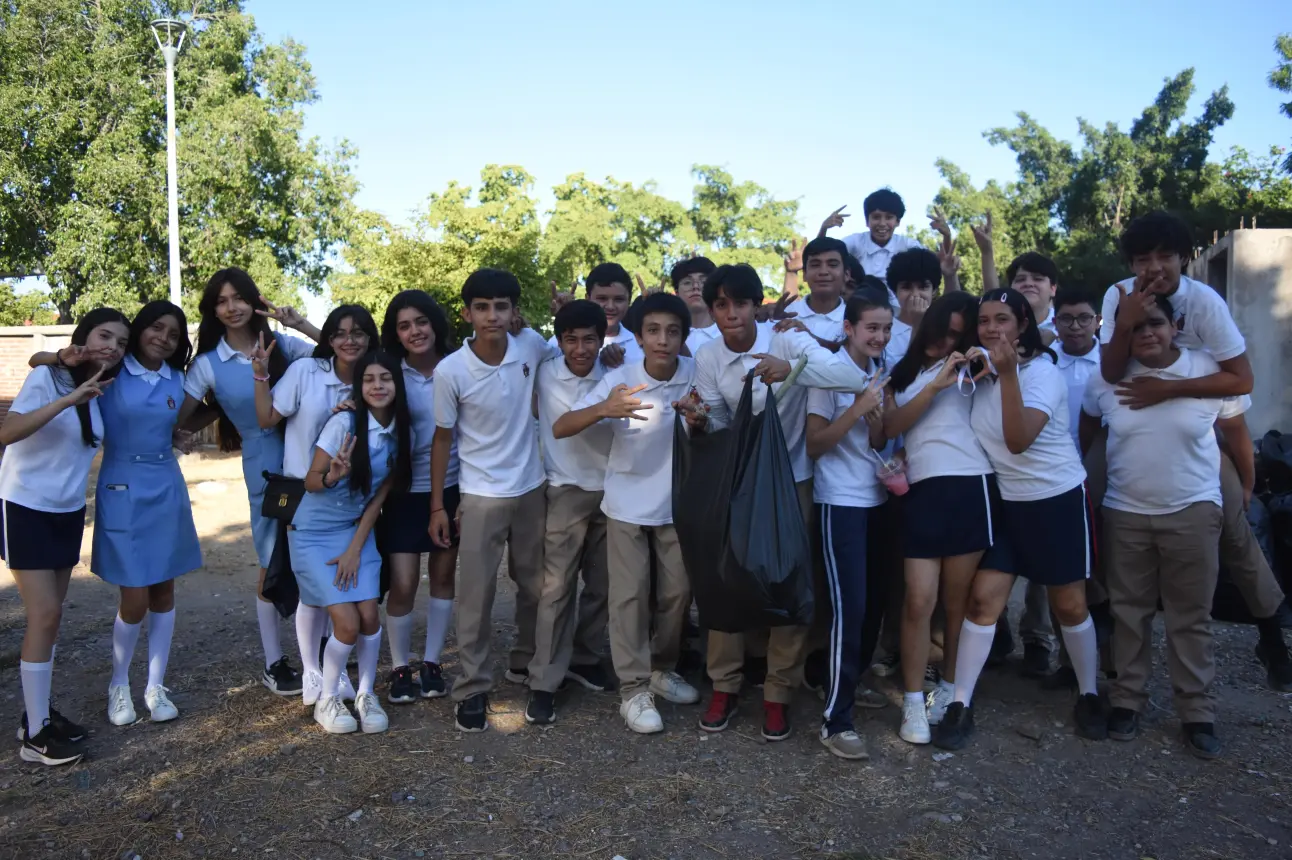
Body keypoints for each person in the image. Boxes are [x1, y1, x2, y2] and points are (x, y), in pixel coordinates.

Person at [1097, 210, 1291, 691]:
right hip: (1130, 418)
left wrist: (1169, 390)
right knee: (1095, 510)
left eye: (1166, 255)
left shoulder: (1204, 303)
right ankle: (1103, 640)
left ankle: (1272, 635)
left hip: (1195, 419)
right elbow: (1109, 370)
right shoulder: (1118, 294)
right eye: (1143, 258)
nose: (1155, 266)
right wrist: (1124, 324)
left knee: (1235, 529)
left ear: (1184, 257)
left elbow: (1240, 381)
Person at [690, 263, 875, 741]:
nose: (732, 314)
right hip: (741, 479)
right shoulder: (709, 355)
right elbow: (717, 419)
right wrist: (697, 419)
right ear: (712, 311)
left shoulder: (787, 336)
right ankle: (725, 685)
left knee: (791, 584)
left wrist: (792, 368)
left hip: (794, 479)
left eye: (742, 303)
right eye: (722, 305)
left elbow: (849, 377)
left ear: (757, 305)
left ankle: (777, 693)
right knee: (728, 578)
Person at [933, 288, 1104, 751]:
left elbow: (1018, 440)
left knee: (1069, 606)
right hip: (1008, 505)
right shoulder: (977, 374)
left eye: (1002, 319)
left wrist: (1007, 374)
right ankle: (960, 704)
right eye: (984, 320)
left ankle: (1089, 693)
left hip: (1057, 500)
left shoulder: (1042, 374)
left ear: (1022, 325)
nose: (991, 328)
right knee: (982, 603)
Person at [1081, 293, 1247, 758]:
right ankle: (1128, 701)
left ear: (1176, 324)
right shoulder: (1108, 378)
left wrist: (1247, 487)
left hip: (1192, 511)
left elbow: (1237, 432)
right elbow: (1087, 428)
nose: (1146, 333)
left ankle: (1197, 712)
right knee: (1129, 612)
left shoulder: (1208, 369)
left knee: (1189, 616)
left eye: (1155, 323)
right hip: (1126, 512)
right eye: (1134, 327)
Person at [553, 292, 700, 733]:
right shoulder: (621, 379)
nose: (663, 340)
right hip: (626, 505)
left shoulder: (695, 374)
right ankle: (633, 689)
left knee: (677, 595)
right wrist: (605, 409)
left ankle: (661, 667)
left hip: (678, 504)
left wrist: (703, 421)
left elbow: (720, 420)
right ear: (638, 336)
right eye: (653, 331)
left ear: (683, 338)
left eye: (673, 331)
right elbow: (562, 427)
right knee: (629, 596)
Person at [179, 267, 318, 696]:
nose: (231, 307)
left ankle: (323, 646)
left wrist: (298, 323)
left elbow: (335, 354)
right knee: (271, 559)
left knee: (315, 552)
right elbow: (179, 413)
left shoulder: (284, 345)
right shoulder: (207, 365)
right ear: (212, 310)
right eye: (221, 301)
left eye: (238, 297)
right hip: (265, 469)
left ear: (254, 300)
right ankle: (274, 660)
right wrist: (177, 433)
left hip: (310, 460)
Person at [2, 308, 127, 766]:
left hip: (67, 511)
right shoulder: (50, 379)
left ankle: (37, 716)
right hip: (24, 507)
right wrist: (67, 397)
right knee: (45, 612)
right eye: (104, 335)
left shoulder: (100, 392)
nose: (112, 346)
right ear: (83, 337)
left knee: (51, 621)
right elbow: (9, 432)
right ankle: (35, 737)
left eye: (121, 342)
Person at [430, 268, 553, 732]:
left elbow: (568, 364)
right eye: (481, 307)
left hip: (530, 486)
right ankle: (473, 687)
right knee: (476, 596)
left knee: (535, 585)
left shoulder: (532, 345)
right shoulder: (451, 370)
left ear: (514, 311)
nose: (492, 315)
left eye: (501, 306)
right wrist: (439, 506)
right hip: (480, 494)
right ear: (467, 314)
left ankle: (524, 661)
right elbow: (442, 440)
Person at [254, 305, 381, 706]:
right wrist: (259, 374)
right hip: (302, 492)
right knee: (311, 587)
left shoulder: (375, 381)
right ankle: (312, 671)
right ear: (328, 339)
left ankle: (335, 670)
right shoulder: (307, 372)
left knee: (338, 585)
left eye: (358, 333)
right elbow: (267, 417)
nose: (350, 340)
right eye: (340, 333)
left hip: (352, 499)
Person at [881, 292, 989, 744]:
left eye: (956, 334)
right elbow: (890, 428)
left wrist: (973, 357)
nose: (946, 341)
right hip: (922, 490)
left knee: (956, 602)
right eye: (943, 329)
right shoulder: (901, 373)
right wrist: (934, 385)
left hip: (970, 484)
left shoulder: (972, 365)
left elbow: (998, 353)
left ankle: (948, 691)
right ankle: (911, 702)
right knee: (918, 600)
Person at [88, 302, 202, 726]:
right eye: (156, 328)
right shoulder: (112, 371)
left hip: (166, 485)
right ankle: (119, 684)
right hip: (122, 486)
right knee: (134, 596)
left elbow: (174, 423)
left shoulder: (178, 379)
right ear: (140, 330)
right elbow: (59, 367)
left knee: (164, 592)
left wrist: (179, 434)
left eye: (173, 334)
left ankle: (155, 686)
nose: (163, 338)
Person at [288, 351, 412, 734]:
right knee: (345, 622)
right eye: (369, 379)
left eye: (385, 378)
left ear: (397, 385)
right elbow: (310, 482)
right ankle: (327, 698)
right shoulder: (343, 423)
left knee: (370, 616)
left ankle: (364, 693)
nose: (378, 385)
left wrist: (356, 548)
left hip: (355, 532)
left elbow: (378, 499)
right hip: (312, 532)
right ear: (358, 387)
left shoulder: (401, 431)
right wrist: (333, 475)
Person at [804, 292, 892, 759]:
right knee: (849, 609)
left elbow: (877, 438)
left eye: (885, 329)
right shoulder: (827, 375)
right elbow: (815, 443)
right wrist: (858, 409)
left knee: (875, 605)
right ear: (849, 328)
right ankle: (836, 721)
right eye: (870, 328)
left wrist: (877, 423)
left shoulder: (882, 371)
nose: (878, 336)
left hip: (879, 499)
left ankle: (846, 682)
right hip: (840, 502)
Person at [526, 300, 614, 724]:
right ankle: (543, 680)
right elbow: (559, 423)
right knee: (557, 588)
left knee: (603, 584)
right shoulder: (545, 368)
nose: (580, 349)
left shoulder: (617, 369)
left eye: (590, 340)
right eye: (571, 339)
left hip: (613, 489)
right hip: (564, 489)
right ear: (559, 341)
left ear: (602, 340)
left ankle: (585, 656)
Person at [377, 290, 460, 703]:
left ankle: (431, 664)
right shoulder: (389, 371)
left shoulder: (459, 363)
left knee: (443, 576)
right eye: (404, 325)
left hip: (453, 486)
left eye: (421, 321)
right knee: (404, 582)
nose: (414, 331)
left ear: (435, 323)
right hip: (404, 490)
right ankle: (398, 666)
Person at [818, 189, 954, 294]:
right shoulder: (856, 241)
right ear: (867, 221)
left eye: (889, 217)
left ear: (897, 222)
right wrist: (824, 228)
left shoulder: (907, 245)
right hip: (861, 309)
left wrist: (947, 236)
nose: (882, 223)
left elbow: (942, 262)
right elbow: (822, 255)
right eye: (876, 217)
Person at [585, 263, 642, 363]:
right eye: (602, 299)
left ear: (629, 301)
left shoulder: (640, 347)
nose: (610, 307)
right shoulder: (562, 342)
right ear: (587, 299)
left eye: (619, 299)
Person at [671, 257, 719, 356]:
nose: (696, 287)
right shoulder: (668, 336)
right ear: (677, 292)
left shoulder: (728, 333)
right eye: (687, 282)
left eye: (704, 282)